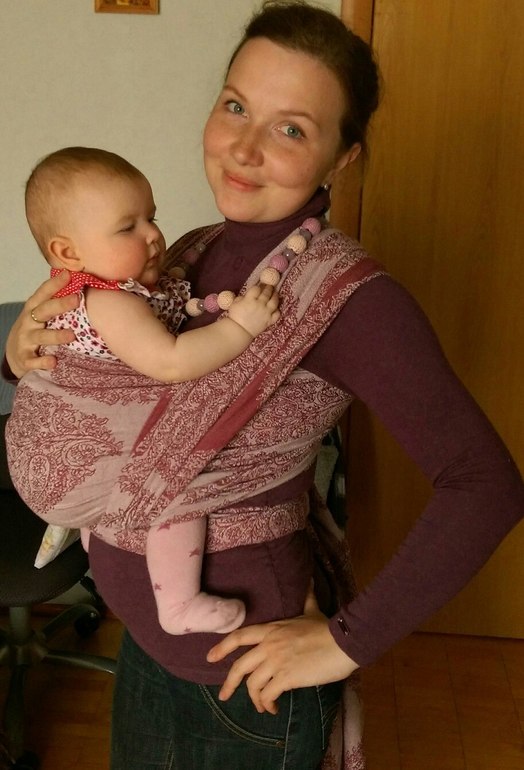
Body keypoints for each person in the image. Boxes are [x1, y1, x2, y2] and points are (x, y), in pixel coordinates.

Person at [4, 2, 523, 769]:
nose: (244, 148)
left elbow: (485, 484)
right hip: (146, 642)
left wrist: (345, 644)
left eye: (291, 129)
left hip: (241, 690)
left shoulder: (351, 300)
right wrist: (21, 352)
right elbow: (114, 384)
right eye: (236, 106)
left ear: (342, 157)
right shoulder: (187, 251)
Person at [6, 146, 280, 636]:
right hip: (65, 457)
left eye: (151, 217)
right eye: (127, 227)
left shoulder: (105, 291)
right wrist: (241, 326)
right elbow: (171, 362)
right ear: (68, 253)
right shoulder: (111, 301)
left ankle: (98, 534)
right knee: (175, 485)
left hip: (53, 460)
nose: (153, 235)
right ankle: (179, 603)